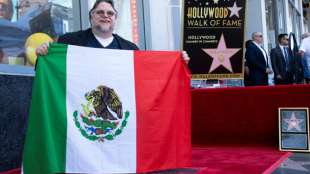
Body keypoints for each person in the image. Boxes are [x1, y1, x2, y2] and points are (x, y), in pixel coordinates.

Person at [36, 0, 190, 63]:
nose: (105, 16)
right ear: (91, 17)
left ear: (115, 19)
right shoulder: (68, 42)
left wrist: (177, 62)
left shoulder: (130, 49)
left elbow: (150, 72)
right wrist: (43, 53)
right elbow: (51, 69)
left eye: (110, 13)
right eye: (100, 12)